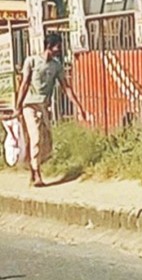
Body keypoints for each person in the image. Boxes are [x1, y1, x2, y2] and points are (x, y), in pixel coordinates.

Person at [14, 33, 89, 187]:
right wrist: (18, 107)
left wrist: (79, 107)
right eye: (57, 47)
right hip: (30, 106)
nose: (59, 50)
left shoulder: (56, 66)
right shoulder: (32, 61)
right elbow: (24, 84)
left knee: (46, 141)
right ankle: (37, 175)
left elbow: (66, 87)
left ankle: (33, 166)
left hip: (44, 106)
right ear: (49, 46)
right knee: (35, 137)